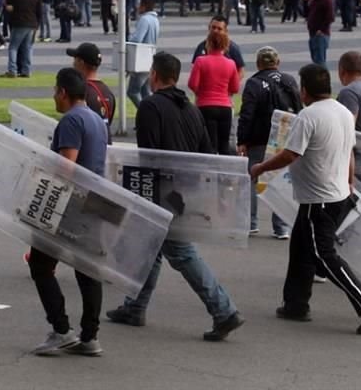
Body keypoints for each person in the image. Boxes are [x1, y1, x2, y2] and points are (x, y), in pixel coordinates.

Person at [107, 52, 245, 342]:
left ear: (154, 75)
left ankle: (223, 310)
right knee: (150, 247)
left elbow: (149, 156)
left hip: (162, 192)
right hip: (186, 191)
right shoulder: (191, 110)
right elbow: (206, 153)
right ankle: (135, 306)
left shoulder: (150, 107)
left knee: (180, 252)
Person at [250, 64, 361, 335]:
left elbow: (291, 154)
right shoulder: (344, 113)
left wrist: (260, 168)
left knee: (322, 256)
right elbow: (348, 150)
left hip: (319, 199)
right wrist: (348, 181)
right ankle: (295, 305)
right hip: (335, 194)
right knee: (301, 248)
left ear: (304, 90)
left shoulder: (308, 116)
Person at [29, 67, 109, 357]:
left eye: (55, 91)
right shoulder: (97, 120)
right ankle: (90, 336)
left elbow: (66, 168)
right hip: (94, 203)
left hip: (71, 206)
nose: (54, 96)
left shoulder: (72, 120)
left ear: (63, 92)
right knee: (87, 269)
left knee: (39, 265)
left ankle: (61, 330)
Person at [236, 46, 301, 239]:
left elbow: (247, 114)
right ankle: (281, 227)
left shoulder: (254, 83)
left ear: (258, 64)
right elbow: (299, 108)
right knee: (280, 181)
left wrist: (242, 140)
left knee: (252, 178)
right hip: (284, 139)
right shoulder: (289, 81)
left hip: (259, 138)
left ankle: (251, 222)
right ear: (277, 63)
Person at [188, 29, 240, 155]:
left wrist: (200, 92)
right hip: (224, 107)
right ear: (225, 45)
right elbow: (235, 88)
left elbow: (192, 84)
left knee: (208, 145)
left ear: (208, 44)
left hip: (205, 105)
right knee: (224, 145)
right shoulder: (231, 64)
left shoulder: (201, 61)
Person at [67, 43, 117, 137]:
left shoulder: (79, 92)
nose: (73, 64)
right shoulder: (108, 92)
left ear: (81, 62)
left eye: (75, 60)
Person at [3, 0, 42, 79]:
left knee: (13, 47)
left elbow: (8, 0)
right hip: (32, 22)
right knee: (28, 47)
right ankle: (27, 70)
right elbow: (39, 10)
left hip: (19, 21)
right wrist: (38, 24)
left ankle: (12, 70)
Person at [126, 0, 159, 108]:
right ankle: (151, 114)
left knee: (133, 91)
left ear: (144, 6)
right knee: (146, 92)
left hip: (141, 59)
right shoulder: (155, 19)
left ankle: (145, 114)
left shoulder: (144, 19)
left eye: (139, 4)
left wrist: (128, 39)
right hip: (150, 58)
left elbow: (137, 39)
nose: (137, 6)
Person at [306, 0, 334, 67]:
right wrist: (305, 1)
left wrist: (321, 30)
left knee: (320, 60)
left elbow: (330, 17)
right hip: (313, 32)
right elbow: (306, 13)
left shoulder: (326, 0)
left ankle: (323, 78)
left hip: (320, 34)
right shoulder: (315, 0)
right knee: (315, 58)